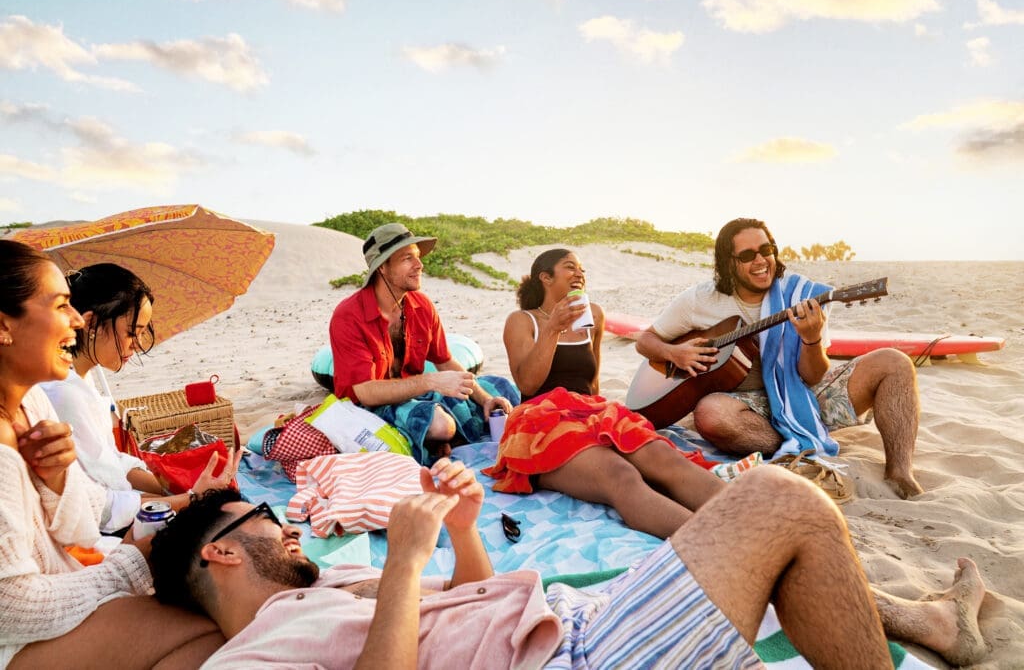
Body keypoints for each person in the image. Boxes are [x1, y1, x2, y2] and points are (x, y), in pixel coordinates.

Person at [150, 466, 989, 668]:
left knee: (773, 528)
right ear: (221, 548)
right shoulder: (249, 656)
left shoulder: (323, 587)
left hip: (560, 626)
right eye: (264, 517)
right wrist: (403, 557)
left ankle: (921, 622)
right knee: (778, 499)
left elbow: (464, 596)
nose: (287, 527)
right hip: (570, 658)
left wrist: (464, 533)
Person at [0, 240, 223, 667]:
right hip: (17, 635)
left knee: (210, 604)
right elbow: (9, 608)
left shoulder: (32, 405)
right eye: (61, 305)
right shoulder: (49, 405)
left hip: (61, 583)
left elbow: (82, 526)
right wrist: (131, 564)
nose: (76, 321)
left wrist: (59, 481)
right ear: (3, 326)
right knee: (209, 633)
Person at [635, 218, 924, 499]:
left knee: (894, 362)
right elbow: (645, 340)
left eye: (767, 250)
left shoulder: (800, 295)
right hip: (748, 407)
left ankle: (900, 474)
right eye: (747, 255)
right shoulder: (700, 300)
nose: (761, 260)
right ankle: (800, 438)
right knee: (709, 414)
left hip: (803, 394)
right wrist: (675, 353)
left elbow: (812, 377)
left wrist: (811, 338)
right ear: (728, 263)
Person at [487, 249, 724, 538]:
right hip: (541, 421)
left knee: (664, 458)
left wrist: (606, 424)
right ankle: (716, 542)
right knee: (621, 475)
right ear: (546, 278)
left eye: (582, 270)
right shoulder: (523, 321)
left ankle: (753, 519)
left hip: (591, 412)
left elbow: (593, 384)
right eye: (570, 267)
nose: (579, 274)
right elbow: (527, 385)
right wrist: (552, 328)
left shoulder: (594, 315)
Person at [40, 263, 241, 534]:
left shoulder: (84, 379)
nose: (137, 343)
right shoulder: (63, 392)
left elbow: (111, 463)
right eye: (132, 332)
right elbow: (100, 507)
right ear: (90, 324)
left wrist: (173, 487)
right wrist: (189, 498)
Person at [330, 222, 515, 462]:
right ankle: (440, 438)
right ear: (383, 268)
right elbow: (366, 393)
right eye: (407, 258)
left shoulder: (421, 305)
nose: (420, 265)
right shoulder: (349, 316)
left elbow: (445, 360)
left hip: (416, 394)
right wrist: (432, 382)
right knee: (440, 425)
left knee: (501, 389)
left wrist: (484, 398)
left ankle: (436, 440)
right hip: (367, 408)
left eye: (417, 256)